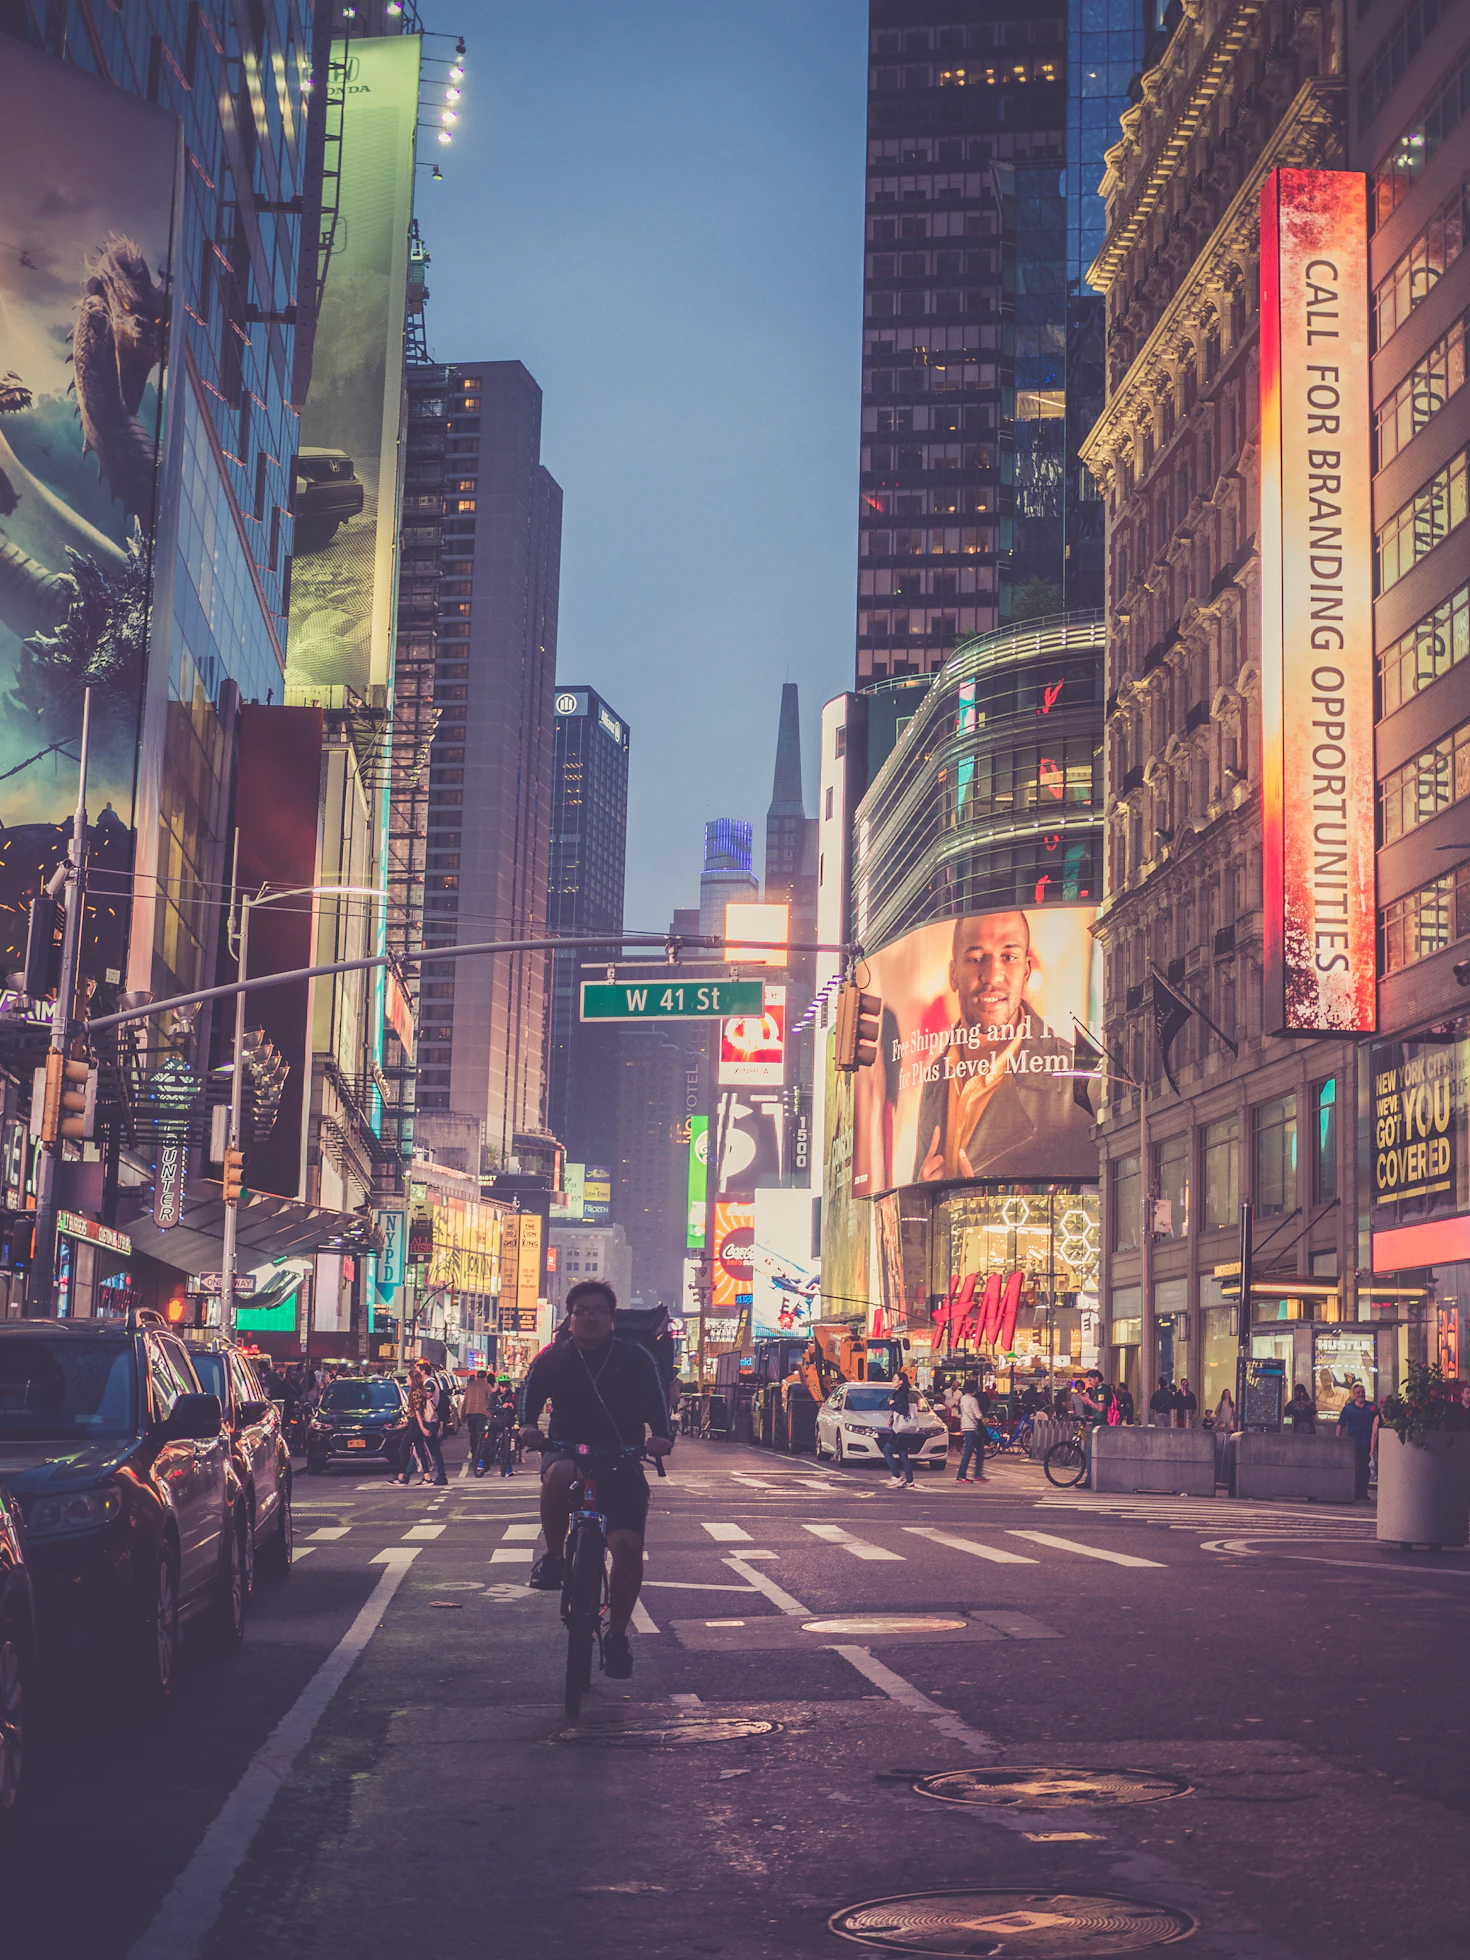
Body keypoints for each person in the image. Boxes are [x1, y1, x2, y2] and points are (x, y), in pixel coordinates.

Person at [520, 1281, 674, 1680]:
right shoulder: (553, 1358)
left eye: (599, 1310)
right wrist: (525, 1427)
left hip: (621, 1454)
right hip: (566, 1446)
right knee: (560, 1475)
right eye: (581, 1310)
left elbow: (657, 1403)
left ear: (612, 1318)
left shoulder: (636, 1358)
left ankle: (618, 1636)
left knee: (627, 1546)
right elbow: (528, 1400)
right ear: (569, 1319)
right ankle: (554, 1559)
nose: (590, 1316)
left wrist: (662, 1436)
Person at [913, 911, 1096, 1183]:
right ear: (953, 975)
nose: (992, 976)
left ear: (1026, 972)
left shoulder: (1080, 1077)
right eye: (976, 959)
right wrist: (922, 1190)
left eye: (1008, 958)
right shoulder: (936, 1075)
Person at [1336, 1380, 1378, 1500]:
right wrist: (1338, 1441)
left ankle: (1363, 1492)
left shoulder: (1372, 1407)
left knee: (1365, 1468)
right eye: (1358, 1392)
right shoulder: (1348, 1409)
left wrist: (1373, 1447)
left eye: (1363, 1392)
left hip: (1367, 1444)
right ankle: (1354, 1491)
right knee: (1355, 1467)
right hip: (1352, 1444)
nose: (1361, 1394)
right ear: (1354, 1394)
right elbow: (1340, 1425)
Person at [879, 1370, 918, 1488]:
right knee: (903, 1453)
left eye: (895, 1379)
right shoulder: (903, 1393)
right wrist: (892, 1419)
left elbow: (903, 1410)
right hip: (902, 1428)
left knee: (887, 1451)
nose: (892, 1381)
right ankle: (910, 1480)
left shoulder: (901, 1394)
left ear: (901, 1381)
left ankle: (897, 1477)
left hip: (900, 1430)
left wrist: (892, 1404)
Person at [956, 1375, 986, 1483]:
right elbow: (978, 1415)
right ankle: (963, 1475)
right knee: (973, 1451)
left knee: (974, 1451)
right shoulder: (973, 1400)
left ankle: (974, 1474)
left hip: (965, 1426)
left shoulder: (963, 1398)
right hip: (972, 1427)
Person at [462, 1369, 493, 1468]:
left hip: (470, 1413)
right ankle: (479, 1453)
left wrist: (462, 1415)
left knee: (473, 1434)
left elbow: (465, 1401)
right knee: (481, 1434)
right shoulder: (487, 1386)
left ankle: (474, 1451)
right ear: (485, 1377)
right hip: (482, 1413)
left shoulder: (470, 1386)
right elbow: (492, 1399)